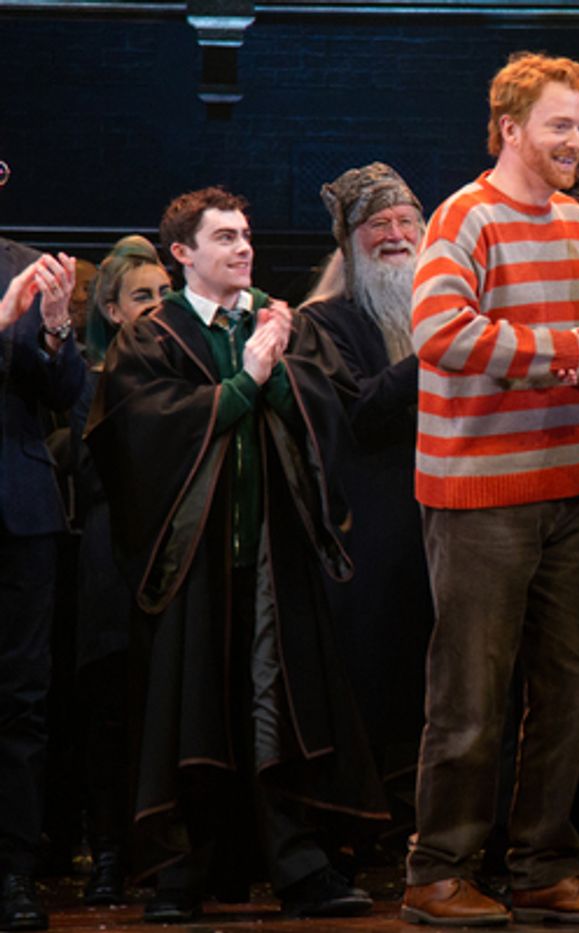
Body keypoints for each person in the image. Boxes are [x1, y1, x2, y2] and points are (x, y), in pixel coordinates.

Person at [84, 187, 387, 922]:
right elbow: (139, 435)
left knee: (271, 709)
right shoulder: (154, 336)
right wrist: (245, 382)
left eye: (246, 235)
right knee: (193, 710)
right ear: (182, 253)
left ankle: (297, 863)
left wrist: (278, 372)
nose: (243, 247)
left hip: (272, 562)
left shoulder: (277, 324)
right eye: (224, 237)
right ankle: (183, 871)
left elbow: (328, 413)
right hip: (192, 559)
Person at [401, 52, 579, 926]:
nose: (576, 140)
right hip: (479, 494)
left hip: (570, 488)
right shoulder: (465, 216)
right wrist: (561, 352)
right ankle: (437, 871)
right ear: (510, 129)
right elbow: (438, 329)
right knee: (471, 691)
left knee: (569, 686)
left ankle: (543, 863)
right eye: (559, 125)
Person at [301, 163, 433, 845]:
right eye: (377, 224)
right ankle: (363, 827)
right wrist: (432, 352)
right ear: (349, 242)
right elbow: (358, 414)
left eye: (406, 221)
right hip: (370, 535)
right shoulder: (322, 322)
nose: (394, 234)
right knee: (371, 676)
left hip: (446, 526)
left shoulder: (441, 312)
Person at [68, 235, 173, 907]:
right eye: (143, 295)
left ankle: (161, 849)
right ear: (109, 306)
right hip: (110, 560)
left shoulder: (184, 367)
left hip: (169, 556)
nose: (159, 306)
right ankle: (107, 850)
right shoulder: (85, 376)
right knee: (107, 712)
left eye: (166, 294)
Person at [1, 241, 83, 933]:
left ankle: (13, 869)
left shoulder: (28, 266)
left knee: (22, 699)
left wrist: (55, 327)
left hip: (19, 509)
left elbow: (62, 393)